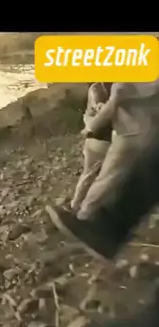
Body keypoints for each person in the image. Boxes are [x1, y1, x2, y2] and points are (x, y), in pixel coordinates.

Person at [45, 81, 159, 261]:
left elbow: (112, 105)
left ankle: (102, 227)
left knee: (108, 177)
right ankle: (103, 227)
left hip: (131, 136)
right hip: (131, 135)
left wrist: (89, 128)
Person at [69, 83, 113, 212]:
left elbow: (90, 114)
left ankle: (78, 207)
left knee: (90, 175)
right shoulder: (101, 89)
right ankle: (79, 208)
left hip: (95, 139)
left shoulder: (96, 88)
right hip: (104, 139)